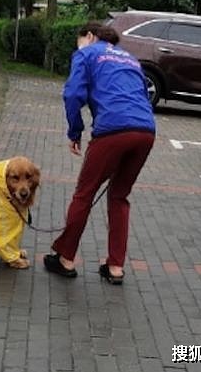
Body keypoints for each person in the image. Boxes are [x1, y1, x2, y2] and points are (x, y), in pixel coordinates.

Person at [43, 22, 156, 285]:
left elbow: (72, 94)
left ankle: (66, 259)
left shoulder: (87, 53)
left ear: (90, 36)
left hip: (112, 130)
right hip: (145, 131)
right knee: (119, 196)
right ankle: (115, 266)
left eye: (79, 40)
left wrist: (75, 131)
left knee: (85, 193)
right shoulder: (130, 58)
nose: (78, 46)